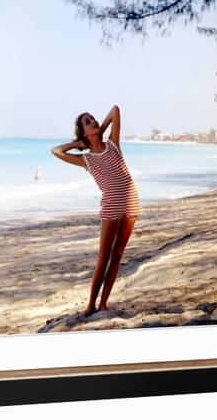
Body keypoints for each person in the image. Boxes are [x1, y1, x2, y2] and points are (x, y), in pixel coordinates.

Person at [50, 105, 139, 316]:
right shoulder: (85, 159)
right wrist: (79, 143)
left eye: (93, 119)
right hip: (111, 205)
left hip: (131, 202)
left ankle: (104, 304)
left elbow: (115, 110)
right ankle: (91, 305)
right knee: (104, 257)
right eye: (87, 122)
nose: (93, 121)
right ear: (83, 132)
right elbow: (56, 151)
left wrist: (100, 128)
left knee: (117, 256)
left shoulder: (113, 145)